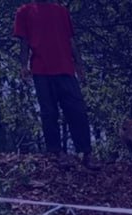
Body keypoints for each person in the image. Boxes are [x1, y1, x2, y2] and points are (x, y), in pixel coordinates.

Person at [14, 0, 98, 170]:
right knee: (49, 112)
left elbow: (71, 40)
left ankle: (86, 153)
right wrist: (24, 66)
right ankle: (57, 153)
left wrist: (79, 65)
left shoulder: (61, 11)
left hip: (66, 69)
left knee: (77, 111)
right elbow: (24, 42)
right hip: (41, 69)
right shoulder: (24, 11)